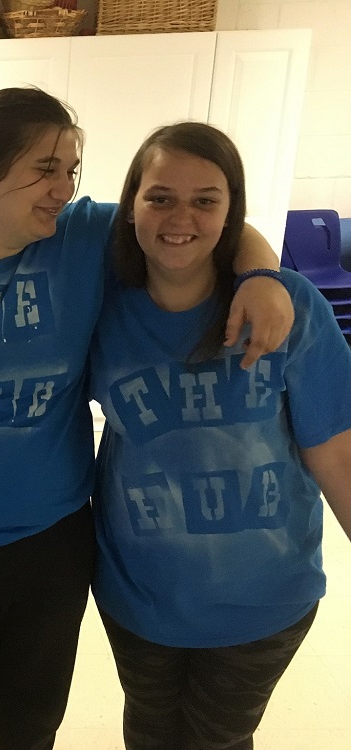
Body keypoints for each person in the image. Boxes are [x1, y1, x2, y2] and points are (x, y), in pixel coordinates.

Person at [0, 87, 294, 750]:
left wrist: (261, 280)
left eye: (70, 170)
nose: (63, 187)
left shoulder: (82, 237)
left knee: (33, 721)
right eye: (45, 169)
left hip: (52, 543)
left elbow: (210, 221)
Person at [89, 121, 351, 750]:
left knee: (217, 741)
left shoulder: (289, 308)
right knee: (149, 733)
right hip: (140, 595)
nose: (181, 216)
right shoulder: (98, 306)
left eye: (206, 199)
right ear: (131, 207)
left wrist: (264, 276)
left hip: (264, 600)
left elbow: (335, 448)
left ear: (232, 210)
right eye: (161, 197)